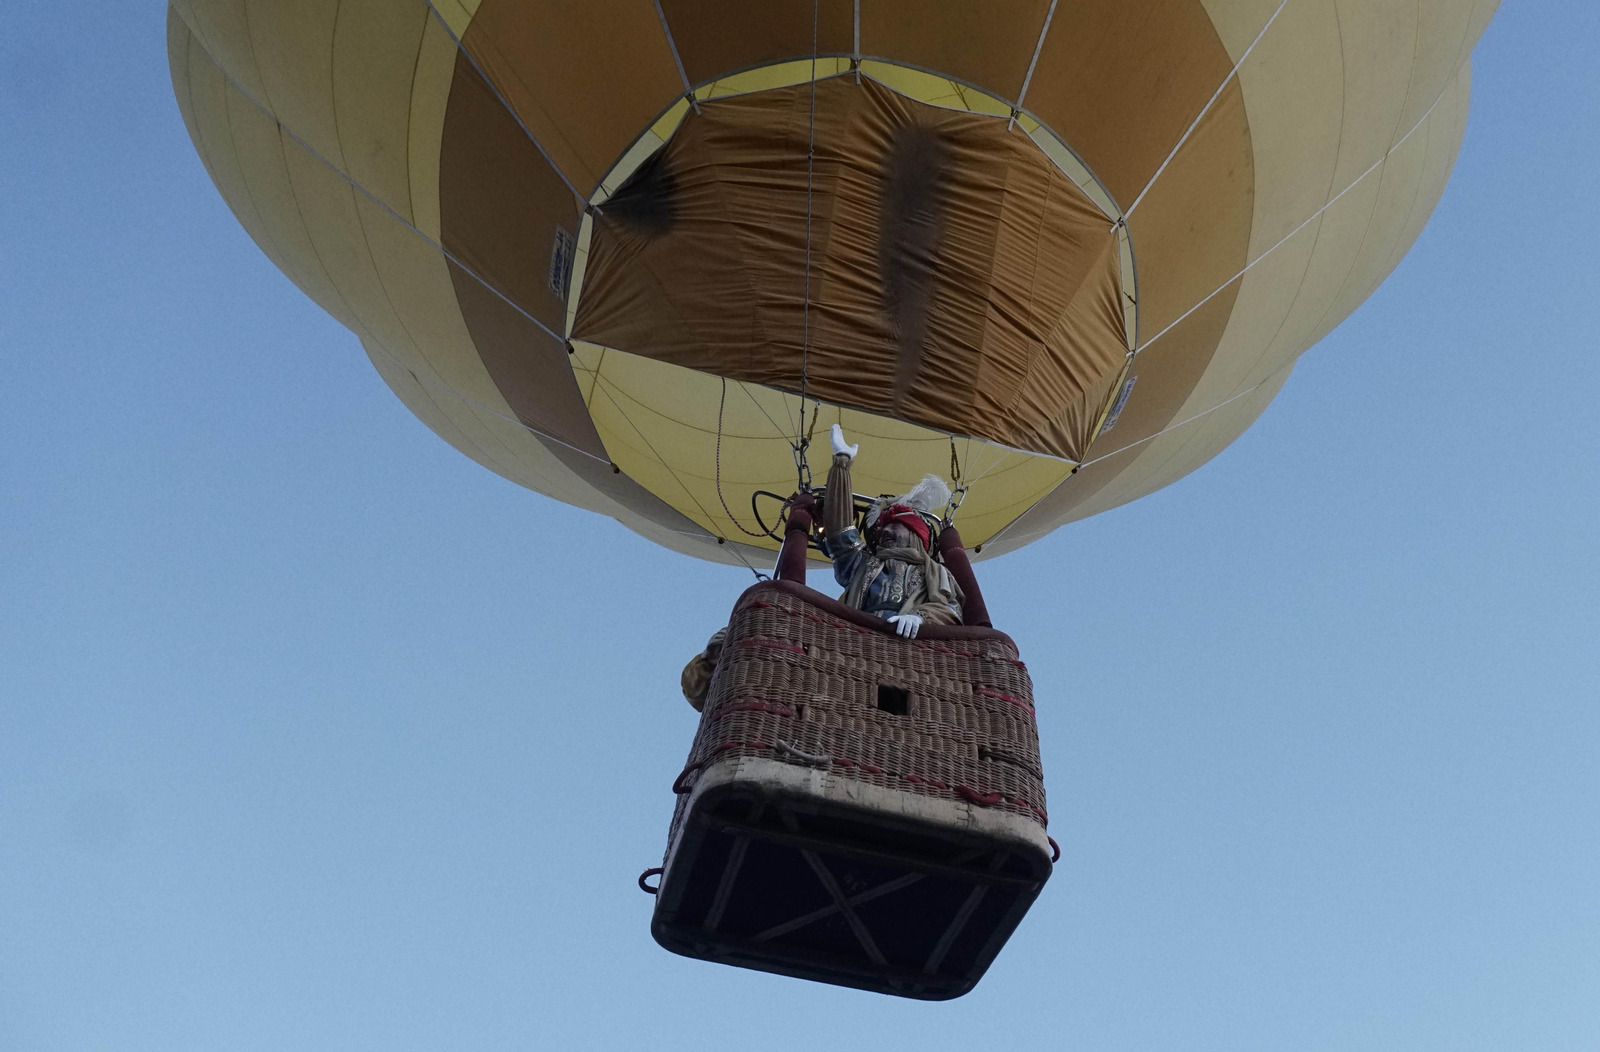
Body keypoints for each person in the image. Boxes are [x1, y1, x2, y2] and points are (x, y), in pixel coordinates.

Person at [819, 424, 963, 639]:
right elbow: (840, 533)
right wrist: (841, 463)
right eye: (884, 526)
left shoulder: (936, 572)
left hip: (910, 647)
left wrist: (921, 617)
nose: (885, 530)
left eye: (895, 526)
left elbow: (952, 609)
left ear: (916, 535)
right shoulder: (863, 564)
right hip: (858, 639)